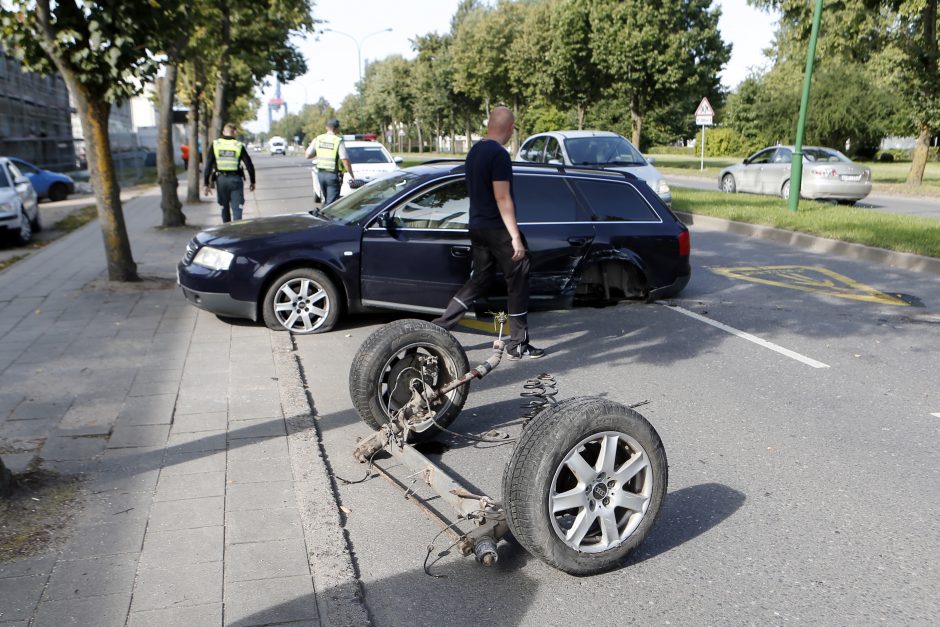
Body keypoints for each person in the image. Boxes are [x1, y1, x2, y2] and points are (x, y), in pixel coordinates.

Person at [432, 107, 544, 360]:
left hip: (477, 226)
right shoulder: (498, 154)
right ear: (508, 127)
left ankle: (440, 326)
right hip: (497, 228)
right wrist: (515, 236)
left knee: (480, 279)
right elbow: (502, 196)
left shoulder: (475, 151)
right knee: (518, 276)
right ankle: (518, 344)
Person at [203, 122, 256, 223]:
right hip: (235, 180)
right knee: (237, 209)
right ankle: (238, 233)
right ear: (234, 132)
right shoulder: (238, 145)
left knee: (224, 208)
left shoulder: (216, 144)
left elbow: (208, 164)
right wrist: (252, 182)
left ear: (223, 132)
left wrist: (206, 183)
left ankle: (227, 233)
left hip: (221, 180)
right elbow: (249, 165)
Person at [306, 118, 354, 205]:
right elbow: (345, 160)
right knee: (332, 204)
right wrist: (352, 175)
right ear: (337, 128)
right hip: (332, 175)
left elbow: (308, 155)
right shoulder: (337, 140)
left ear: (326, 127)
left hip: (321, 174)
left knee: (326, 200)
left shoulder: (318, 139)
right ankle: (325, 217)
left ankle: (323, 215)